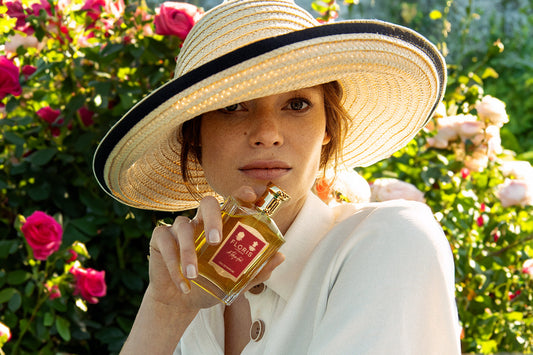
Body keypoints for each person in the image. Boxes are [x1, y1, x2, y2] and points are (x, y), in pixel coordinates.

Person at [93, 0, 461, 353]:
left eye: (297, 104)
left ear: (327, 129)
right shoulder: (191, 290)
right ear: (196, 137)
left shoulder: (392, 240)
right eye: (232, 106)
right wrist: (166, 310)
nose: (267, 133)